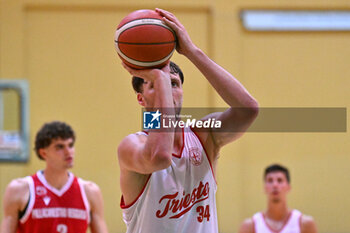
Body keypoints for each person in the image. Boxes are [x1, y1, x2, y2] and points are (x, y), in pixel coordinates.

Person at [117, 8, 259, 233]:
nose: (168, 89)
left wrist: (191, 51)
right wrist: (160, 78)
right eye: (155, 85)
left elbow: (248, 110)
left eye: (174, 84)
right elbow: (160, 157)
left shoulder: (204, 134)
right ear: (141, 99)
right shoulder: (131, 146)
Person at [0, 121, 109, 233]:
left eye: (70, 145)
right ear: (43, 153)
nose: (68, 152)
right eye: (60, 147)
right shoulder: (19, 189)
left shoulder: (89, 191)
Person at [239, 164, 317, 233]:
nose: (275, 185)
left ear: (288, 187)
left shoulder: (305, 224)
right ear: (264, 188)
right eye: (270, 181)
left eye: (280, 180)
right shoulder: (250, 226)